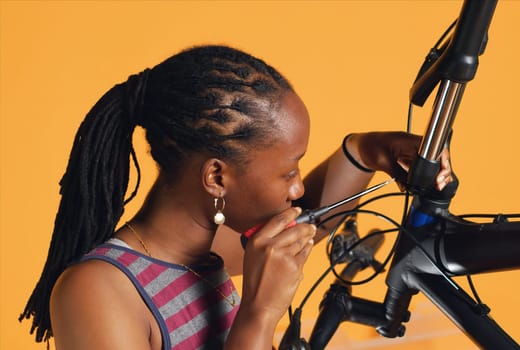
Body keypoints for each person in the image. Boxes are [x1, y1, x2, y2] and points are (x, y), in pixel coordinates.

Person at [20, 45, 453, 349]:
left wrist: (369, 150)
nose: (298, 188)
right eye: (288, 172)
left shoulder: (206, 254)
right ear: (216, 176)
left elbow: (306, 218)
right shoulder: (99, 292)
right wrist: (259, 314)